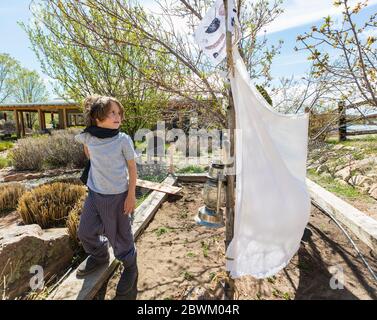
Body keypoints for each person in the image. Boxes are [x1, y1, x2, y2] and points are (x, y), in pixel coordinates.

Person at [74, 95, 139, 300]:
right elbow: (89, 156)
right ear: (97, 117)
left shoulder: (122, 140)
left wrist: (131, 195)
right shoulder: (88, 137)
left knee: (121, 237)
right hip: (95, 194)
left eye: (119, 113)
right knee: (85, 231)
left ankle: (130, 267)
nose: (117, 116)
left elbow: (132, 168)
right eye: (112, 112)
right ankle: (100, 255)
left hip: (118, 197)